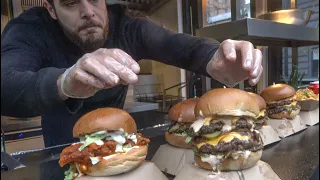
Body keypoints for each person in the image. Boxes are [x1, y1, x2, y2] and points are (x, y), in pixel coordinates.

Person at [1, 0, 263, 147]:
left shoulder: (126, 24)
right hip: (61, 152)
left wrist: (216, 58)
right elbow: (5, 84)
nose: (88, 11)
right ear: (50, 9)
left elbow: (180, 45)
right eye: (71, 3)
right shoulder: (30, 28)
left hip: (124, 147)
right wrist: (65, 82)